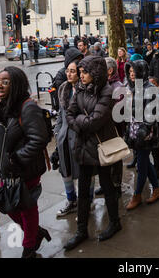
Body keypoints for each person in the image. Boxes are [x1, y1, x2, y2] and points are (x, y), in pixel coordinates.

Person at [0, 66, 51, 258]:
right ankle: (36, 233)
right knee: (9, 207)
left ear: (15, 85)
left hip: (25, 170)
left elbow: (38, 139)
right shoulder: (4, 106)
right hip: (7, 170)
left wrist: (16, 159)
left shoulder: (27, 107)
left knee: (27, 209)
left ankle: (29, 250)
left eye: (5, 82)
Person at [65, 56, 121, 250]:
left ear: (95, 72)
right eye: (80, 72)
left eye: (84, 72)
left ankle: (115, 222)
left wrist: (79, 122)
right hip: (83, 146)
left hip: (99, 146)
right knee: (83, 191)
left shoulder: (106, 90)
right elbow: (69, 113)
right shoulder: (80, 88)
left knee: (107, 186)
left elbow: (95, 121)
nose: (81, 75)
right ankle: (81, 230)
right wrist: (82, 122)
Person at [54, 60, 96, 217]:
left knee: (86, 172)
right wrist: (57, 133)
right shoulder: (64, 88)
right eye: (67, 71)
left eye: (72, 71)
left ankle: (88, 201)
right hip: (64, 137)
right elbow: (61, 113)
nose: (69, 74)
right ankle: (71, 200)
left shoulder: (86, 90)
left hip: (81, 137)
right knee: (66, 171)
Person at [125, 60, 159, 210]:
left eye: (134, 71)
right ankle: (157, 189)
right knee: (145, 161)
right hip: (135, 128)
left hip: (147, 132)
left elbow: (154, 113)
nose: (132, 74)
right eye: (130, 72)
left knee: (141, 164)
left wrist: (145, 129)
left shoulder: (150, 89)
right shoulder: (132, 87)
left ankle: (137, 195)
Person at [95, 57, 125, 196]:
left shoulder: (118, 87)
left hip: (114, 127)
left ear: (110, 70)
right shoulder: (103, 85)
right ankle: (106, 184)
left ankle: (116, 185)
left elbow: (120, 111)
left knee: (116, 158)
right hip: (105, 127)